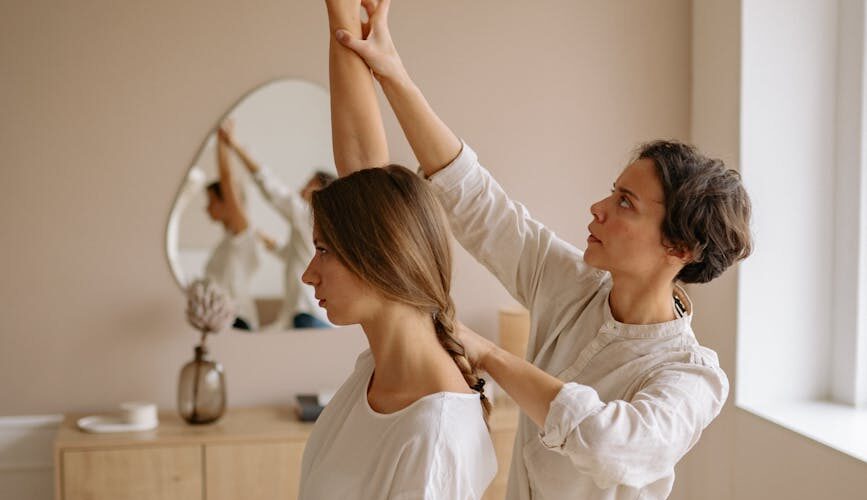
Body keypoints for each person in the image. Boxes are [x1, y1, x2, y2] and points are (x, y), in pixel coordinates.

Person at [333, 1, 753, 499]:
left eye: (625, 203)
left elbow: (606, 442)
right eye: (610, 191)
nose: (598, 208)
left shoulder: (691, 377)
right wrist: (392, 71)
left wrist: (490, 355)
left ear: (678, 246)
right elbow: (477, 202)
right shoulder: (572, 285)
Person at [295, 1, 496, 498]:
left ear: (381, 256)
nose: (308, 274)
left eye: (323, 250)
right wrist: (341, 16)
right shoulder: (377, 372)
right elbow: (362, 166)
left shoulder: (432, 438)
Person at [218, 124, 333, 329]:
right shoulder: (318, 226)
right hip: (307, 316)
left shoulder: (311, 214)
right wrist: (271, 244)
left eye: (309, 184)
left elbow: (272, 189)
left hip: (306, 315)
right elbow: (294, 255)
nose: (302, 188)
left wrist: (234, 145)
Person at [203, 119, 261, 331]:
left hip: (238, 320)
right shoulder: (228, 241)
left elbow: (227, 180)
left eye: (211, 201)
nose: (206, 208)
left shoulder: (243, 233)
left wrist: (222, 142)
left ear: (226, 203)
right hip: (223, 321)